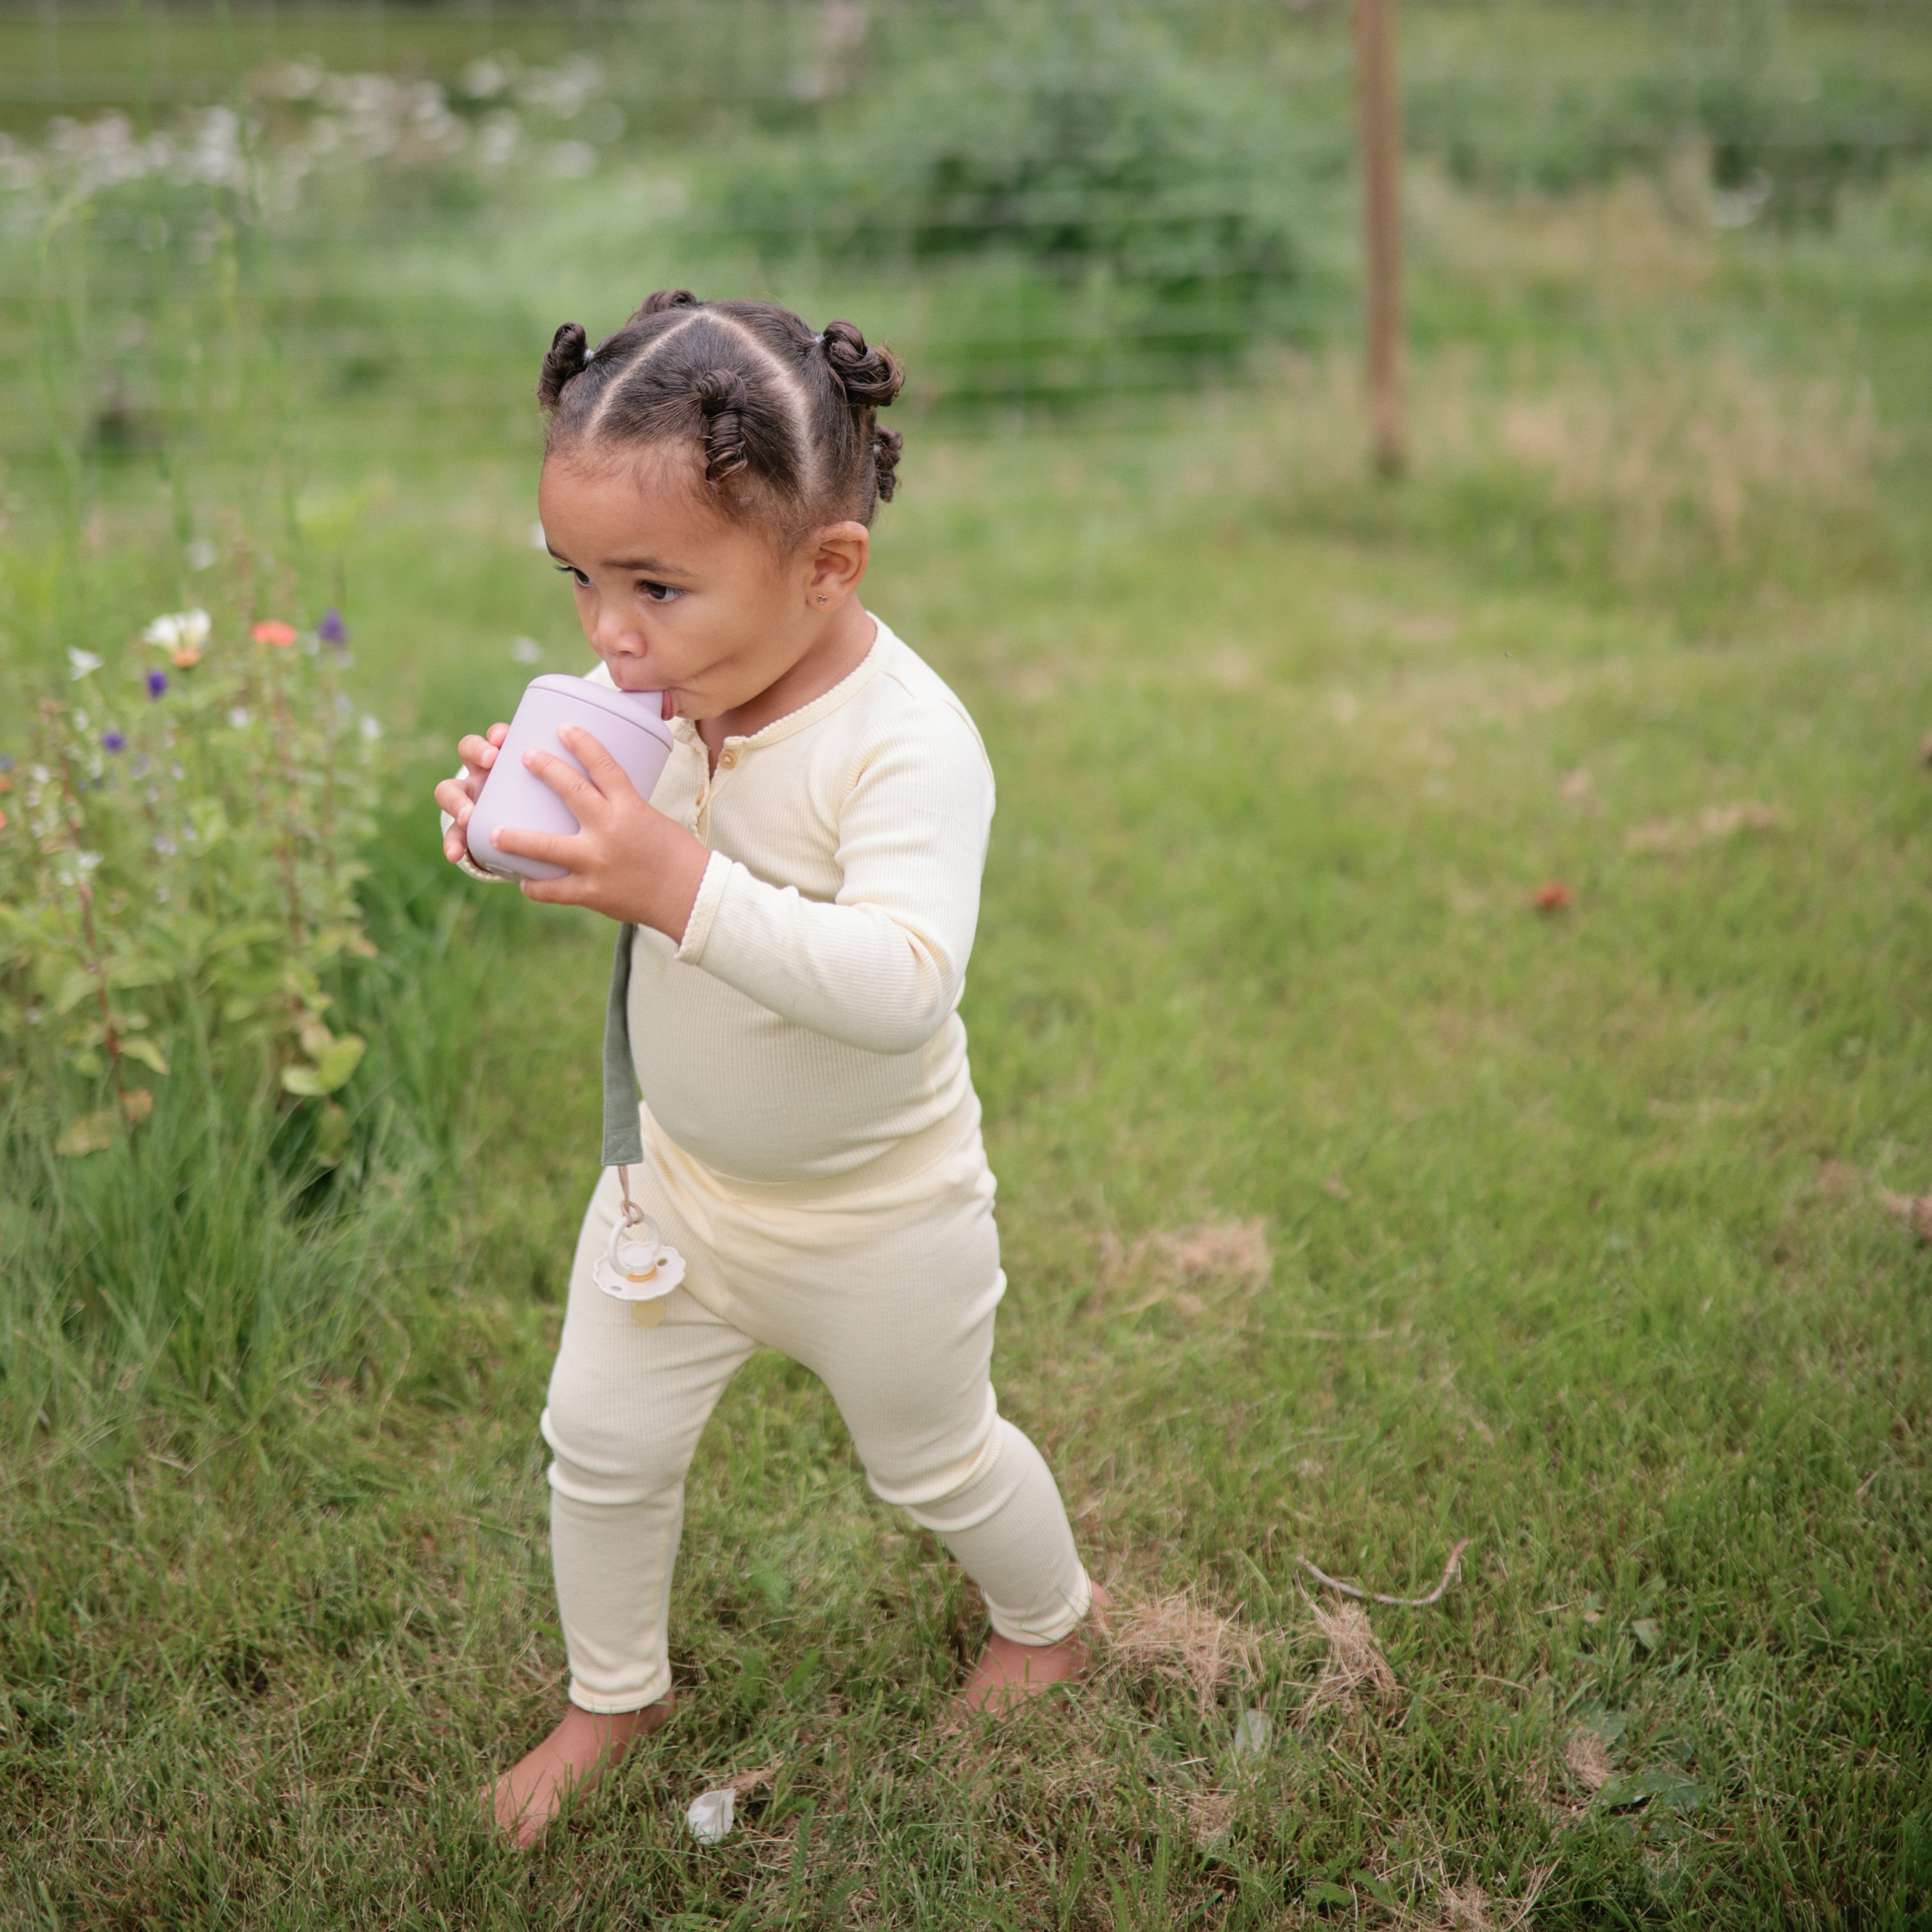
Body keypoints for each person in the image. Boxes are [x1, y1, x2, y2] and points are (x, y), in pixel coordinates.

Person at [435, 291, 1103, 1846]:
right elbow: (610, 832)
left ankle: (1047, 1622)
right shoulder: (663, 692)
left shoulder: (905, 744)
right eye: (581, 581)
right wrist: (512, 829)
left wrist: (676, 881)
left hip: (879, 1213)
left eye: (655, 585)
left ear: (827, 566)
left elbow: (903, 983)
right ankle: (616, 1694)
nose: (608, 633)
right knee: (597, 1446)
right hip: (676, 1193)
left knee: (936, 1459)